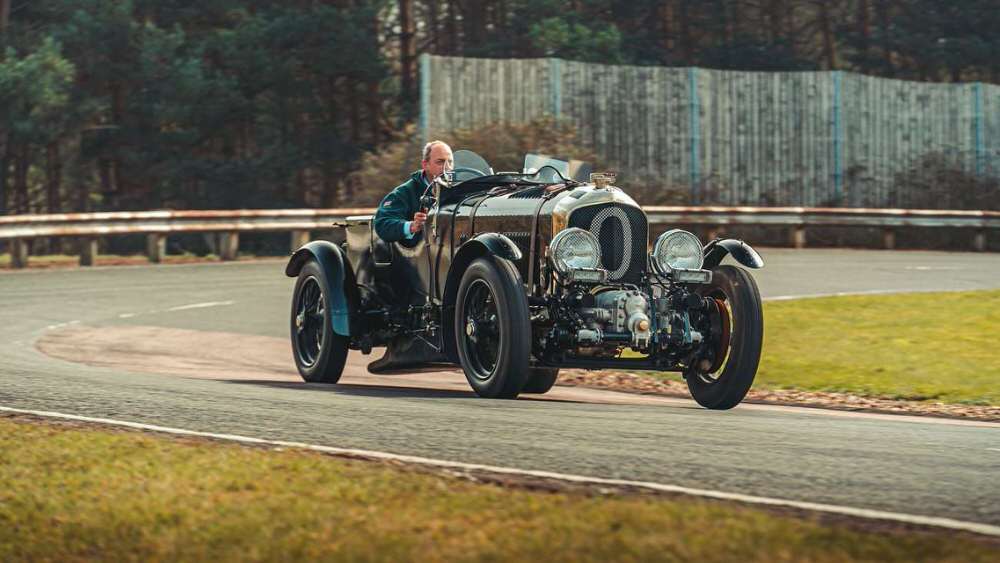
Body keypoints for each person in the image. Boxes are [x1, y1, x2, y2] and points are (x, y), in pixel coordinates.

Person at [373, 140, 454, 242]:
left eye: (450, 162)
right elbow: (382, 224)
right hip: (419, 254)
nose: (448, 168)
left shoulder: (461, 189)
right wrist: (412, 226)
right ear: (425, 165)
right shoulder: (404, 193)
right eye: (440, 162)